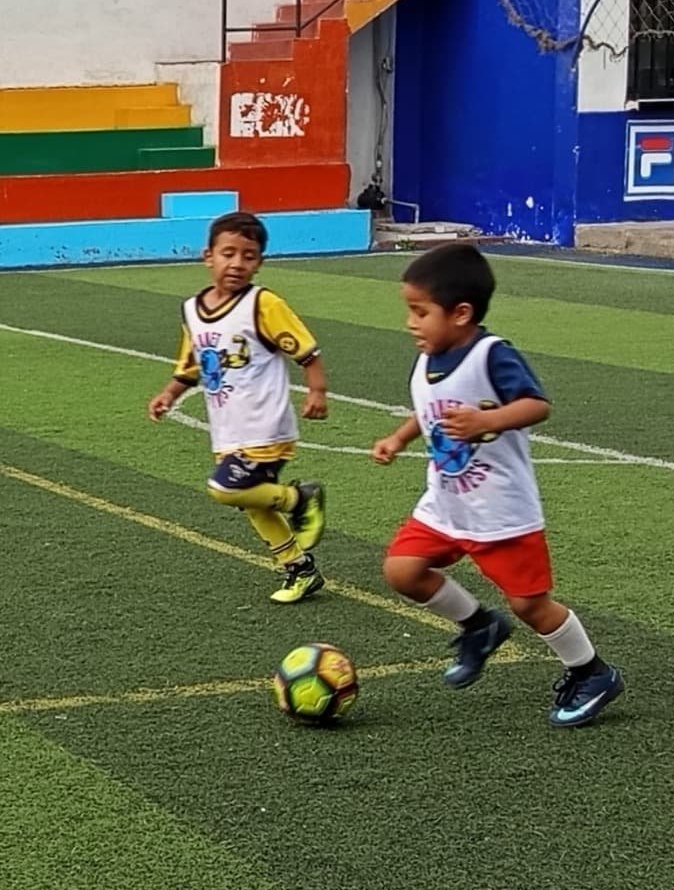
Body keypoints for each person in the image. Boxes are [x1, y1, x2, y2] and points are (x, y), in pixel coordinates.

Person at [371, 243, 624, 728]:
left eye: (420, 312)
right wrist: (400, 437)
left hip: (500, 510)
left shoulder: (491, 354)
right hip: (446, 504)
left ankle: (591, 671)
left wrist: (490, 420)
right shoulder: (429, 358)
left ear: (461, 313)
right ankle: (479, 626)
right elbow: (431, 411)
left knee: (530, 604)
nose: (411, 322)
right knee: (403, 571)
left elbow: (536, 404)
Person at [147, 212, 328, 604]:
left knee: (225, 488)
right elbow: (192, 363)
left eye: (248, 256)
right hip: (227, 428)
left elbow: (307, 350)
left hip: (265, 424)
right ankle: (300, 570)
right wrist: (169, 393)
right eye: (228, 253)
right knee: (250, 499)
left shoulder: (263, 304)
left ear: (259, 262)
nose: (237, 263)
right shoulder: (193, 309)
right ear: (207, 256)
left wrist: (317, 390)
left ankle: (300, 499)